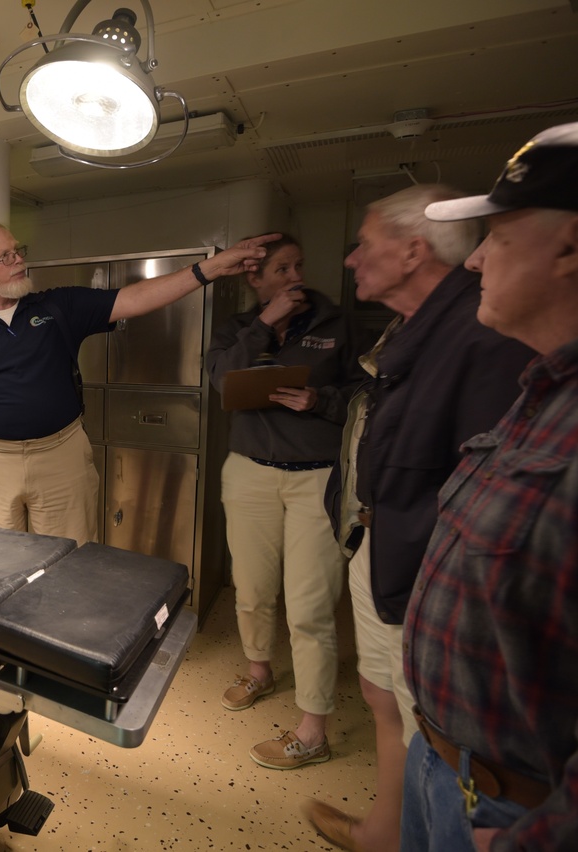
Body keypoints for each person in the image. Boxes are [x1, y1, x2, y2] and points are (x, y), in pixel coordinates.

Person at [303, 186, 534, 851]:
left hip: (427, 565)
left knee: (429, 718)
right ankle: (385, 830)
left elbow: (481, 492)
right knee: (384, 696)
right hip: (380, 540)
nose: (350, 260)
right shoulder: (407, 330)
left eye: (365, 243)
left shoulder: (482, 333)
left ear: (412, 250)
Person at [400, 123, 578, 851]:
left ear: (570, 249)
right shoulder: (542, 391)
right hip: (443, 764)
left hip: (513, 815)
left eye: (496, 235)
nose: (473, 259)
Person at [0, 221, 279, 546]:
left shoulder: (58, 306)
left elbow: (136, 298)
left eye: (18, 250)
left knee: (69, 562)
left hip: (61, 456)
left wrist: (212, 268)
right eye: (6, 256)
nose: (19, 260)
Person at [204, 233, 369, 770]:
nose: (294, 276)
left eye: (298, 265)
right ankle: (258, 671)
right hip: (250, 472)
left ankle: (312, 730)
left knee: (310, 606)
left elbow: (367, 398)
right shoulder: (237, 329)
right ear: (255, 278)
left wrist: (320, 400)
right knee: (251, 589)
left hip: (316, 479)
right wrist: (265, 324)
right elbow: (219, 380)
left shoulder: (336, 323)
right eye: (280, 269)